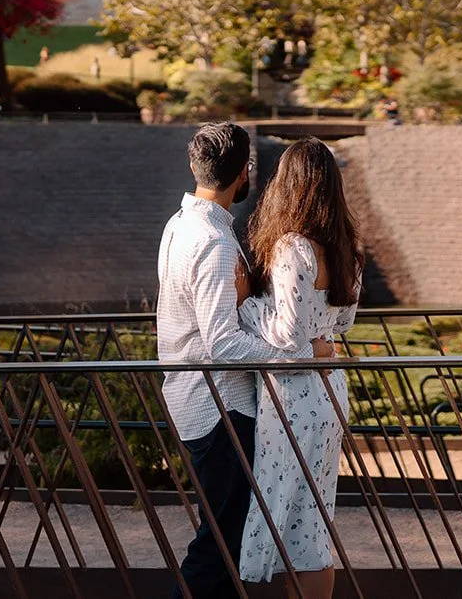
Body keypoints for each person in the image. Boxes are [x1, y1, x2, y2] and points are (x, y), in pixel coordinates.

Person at [157, 123, 333, 599]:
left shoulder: (181, 225)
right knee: (221, 548)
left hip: (199, 401)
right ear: (244, 174)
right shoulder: (212, 242)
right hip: (219, 407)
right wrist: (303, 352)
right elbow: (224, 346)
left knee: (225, 543)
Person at [234, 138, 364, 599]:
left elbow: (287, 335)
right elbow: (343, 321)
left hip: (293, 394)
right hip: (329, 392)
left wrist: (246, 304)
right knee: (311, 519)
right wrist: (320, 340)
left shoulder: (292, 246)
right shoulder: (345, 245)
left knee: (282, 511)